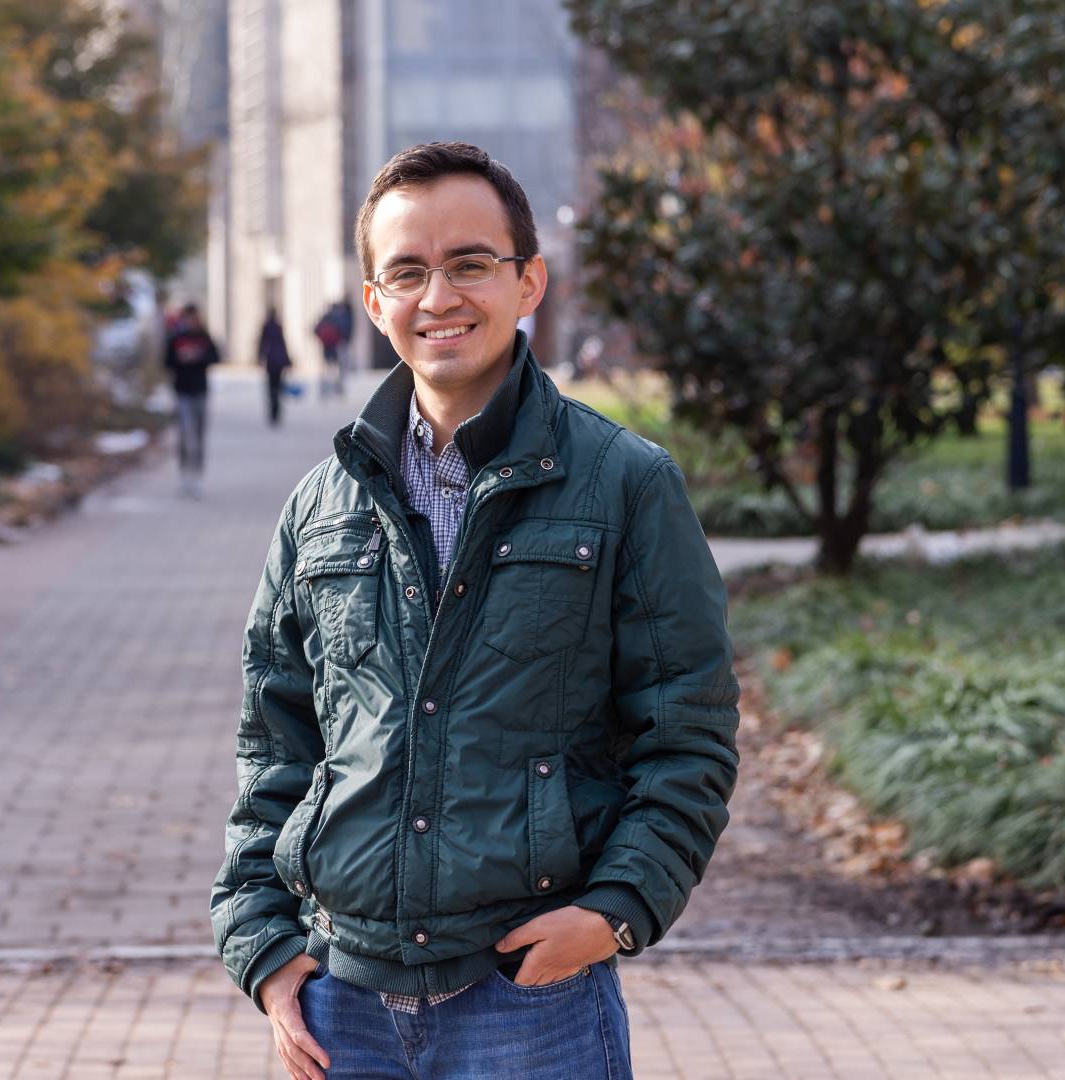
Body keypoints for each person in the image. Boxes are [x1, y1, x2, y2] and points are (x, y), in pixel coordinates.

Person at [211, 141, 739, 1079]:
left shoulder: (624, 484)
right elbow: (275, 740)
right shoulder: (320, 503)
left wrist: (614, 910)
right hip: (343, 1002)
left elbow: (686, 730)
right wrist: (261, 944)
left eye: (469, 264)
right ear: (374, 301)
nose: (438, 296)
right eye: (407, 272)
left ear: (528, 281)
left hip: (530, 999)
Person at [162, 303, 220, 496]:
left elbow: (216, 357)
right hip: (182, 392)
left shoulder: (204, 337)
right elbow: (166, 362)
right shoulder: (175, 338)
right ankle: (184, 474)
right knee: (186, 435)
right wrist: (181, 358)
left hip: (201, 391)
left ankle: (197, 475)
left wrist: (199, 356)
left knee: (199, 434)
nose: (191, 321)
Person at [259, 306, 292, 426]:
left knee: (271, 387)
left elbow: (262, 343)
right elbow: (283, 344)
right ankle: (276, 410)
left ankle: (273, 411)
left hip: (271, 362)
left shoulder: (266, 327)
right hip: (278, 362)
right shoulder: (278, 327)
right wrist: (287, 360)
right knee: (277, 387)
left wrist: (260, 357)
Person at [313, 300, 352, 398]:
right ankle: (337, 389)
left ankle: (324, 389)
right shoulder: (337, 318)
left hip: (325, 347)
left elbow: (315, 329)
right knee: (337, 368)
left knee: (326, 369)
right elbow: (343, 331)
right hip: (335, 347)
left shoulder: (324, 317)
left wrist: (322, 339)